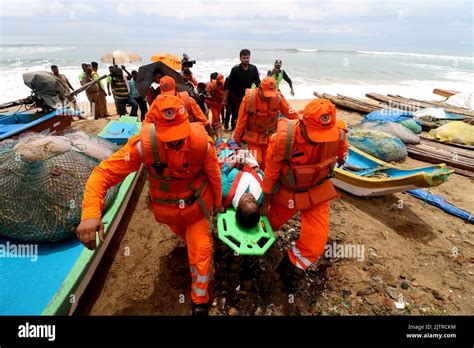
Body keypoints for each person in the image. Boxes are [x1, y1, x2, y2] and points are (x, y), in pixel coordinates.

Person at [77, 94, 223, 316]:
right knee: (186, 238)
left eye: (179, 137)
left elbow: (215, 176)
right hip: (168, 214)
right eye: (169, 137)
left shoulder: (203, 145)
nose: (175, 142)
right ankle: (189, 246)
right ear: (154, 127)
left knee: (201, 250)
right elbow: (103, 174)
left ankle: (199, 300)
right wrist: (90, 213)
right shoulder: (142, 148)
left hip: (196, 210)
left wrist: (218, 205)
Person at [260, 98, 348, 293]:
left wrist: (342, 156)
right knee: (266, 224)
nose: (322, 140)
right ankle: (249, 256)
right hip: (287, 194)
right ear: (303, 123)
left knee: (315, 245)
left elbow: (342, 149)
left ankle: (288, 269)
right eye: (317, 135)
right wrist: (264, 204)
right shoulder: (282, 141)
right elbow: (271, 174)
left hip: (317, 192)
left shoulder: (338, 134)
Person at [233, 76, 298, 170]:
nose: (269, 98)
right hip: (253, 136)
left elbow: (291, 113)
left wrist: (302, 124)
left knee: (269, 161)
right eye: (266, 94)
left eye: (272, 94)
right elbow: (241, 121)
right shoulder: (248, 99)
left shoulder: (278, 98)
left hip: (270, 136)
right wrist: (236, 139)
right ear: (259, 88)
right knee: (256, 161)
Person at [145, 76, 215, 138]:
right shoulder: (156, 104)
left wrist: (212, 140)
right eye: (166, 94)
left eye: (171, 94)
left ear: (176, 89)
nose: (169, 97)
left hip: (186, 137)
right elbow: (147, 123)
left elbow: (204, 121)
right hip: (167, 139)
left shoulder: (188, 101)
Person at [217, 138, 263, 229]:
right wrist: (252, 167)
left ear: (238, 208)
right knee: (235, 145)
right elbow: (261, 175)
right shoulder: (261, 199)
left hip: (229, 158)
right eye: (254, 201)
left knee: (222, 147)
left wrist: (232, 164)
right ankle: (232, 140)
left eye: (248, 201)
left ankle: (219, 137)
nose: (251, 197)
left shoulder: (227, 193)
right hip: (248, 159)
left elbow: (222, 173)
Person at [223, 49, 261, 131]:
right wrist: (225, 99)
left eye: (247, 58)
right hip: (236, 96)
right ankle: (234, 130)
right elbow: (228, 86)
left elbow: (258, 83)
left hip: (248, 96)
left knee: (248, 114)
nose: (246, 60)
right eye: (244, 58)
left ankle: (244, 131)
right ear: (240, 58)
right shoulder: (235, 69)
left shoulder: (253, 69)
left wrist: (262, 93)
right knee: (236, 114)